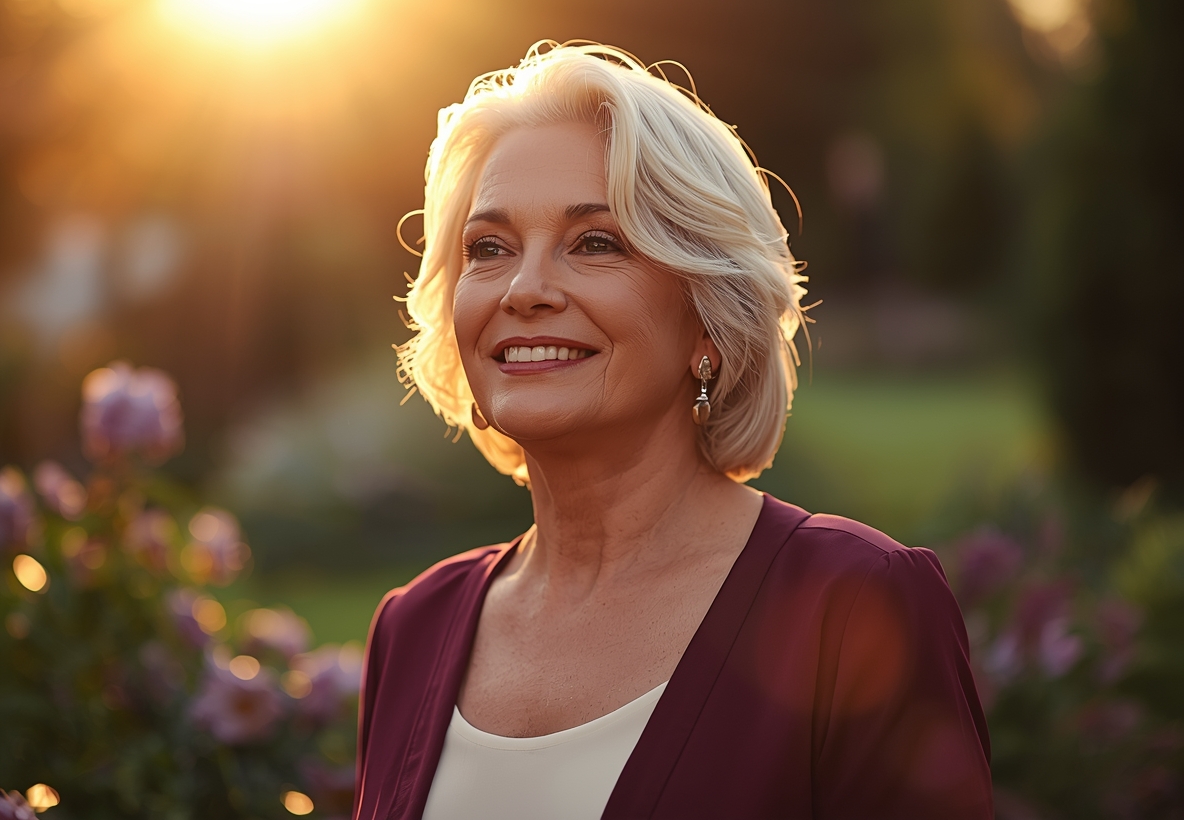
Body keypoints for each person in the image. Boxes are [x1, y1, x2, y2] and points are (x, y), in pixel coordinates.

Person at [353, 41, 992, 820]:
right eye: (490, 248)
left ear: (709, 319)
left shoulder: (853, 605)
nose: (524, 289)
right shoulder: (413, 628)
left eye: (595, 243)